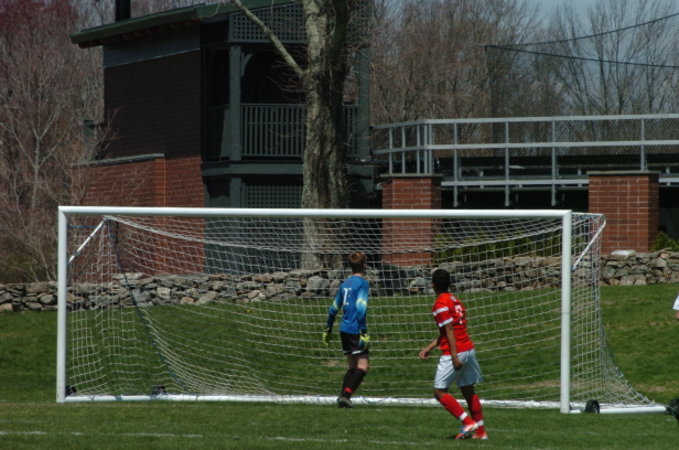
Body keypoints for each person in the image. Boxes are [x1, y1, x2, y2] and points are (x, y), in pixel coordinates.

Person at [419, 268, 487, 440]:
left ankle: (467, 422)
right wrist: (429, 348)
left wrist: (455, 357)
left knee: (439, 391)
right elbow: (447, 330)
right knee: (468, 390)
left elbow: (449, 330)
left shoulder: (440, 304)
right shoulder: (455, 300)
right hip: (468, 348)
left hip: (456, 351)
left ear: (433, 285)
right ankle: (481, 432)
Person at [323, 252, 370, 408]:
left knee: (352, 367)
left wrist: (328, 328)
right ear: (364, 265)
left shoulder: (344, 285)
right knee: (362, 366)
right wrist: (363, 331)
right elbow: (361, 308)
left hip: (344, 329)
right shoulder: (363, 284)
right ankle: (346, 395)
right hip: (355, 329)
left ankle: (343, 398)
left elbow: (333, 308)